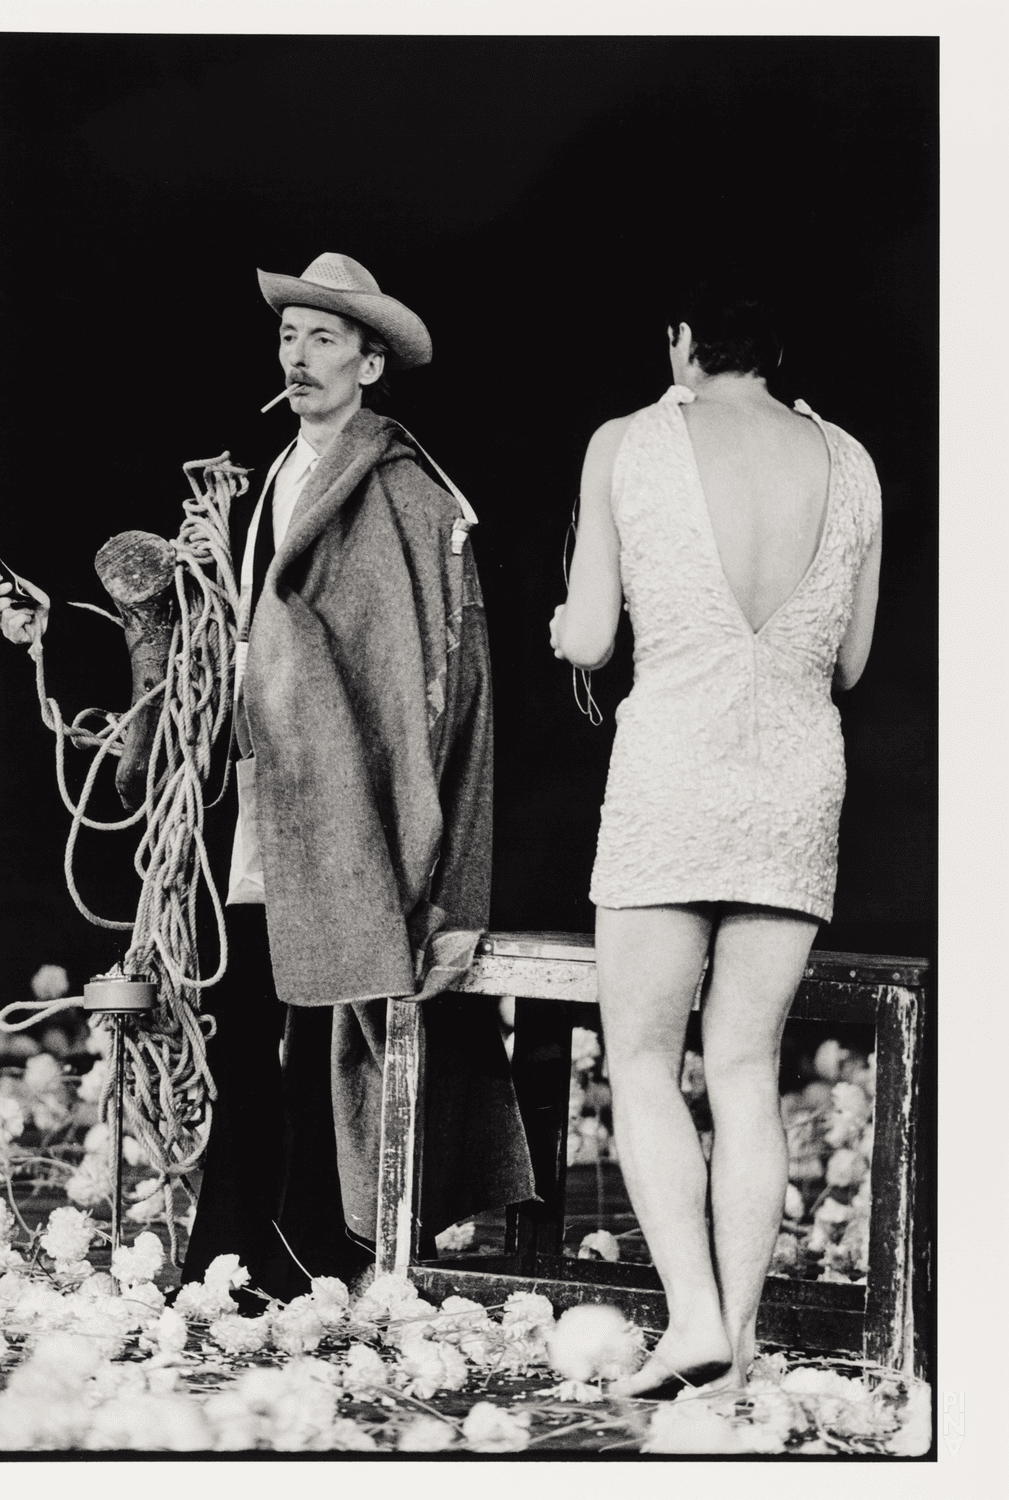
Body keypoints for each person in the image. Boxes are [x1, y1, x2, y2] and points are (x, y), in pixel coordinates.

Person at [0, 251, 532, 1301]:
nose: (298, 356)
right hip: (267, 791)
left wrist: (458, 888)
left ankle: (309, 1246)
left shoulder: (412, 498)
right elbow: (239, 640)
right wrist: (130, 613)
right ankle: (237, 1242)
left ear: (373, 363)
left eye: (324, 337)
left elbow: (455, 689)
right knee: (243, 1013)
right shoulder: (274, 477)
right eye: (289, 336)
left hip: (352, 805)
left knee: (323, 1025)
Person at [549, 283, 882, 1395]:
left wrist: (566, 627)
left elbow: (593, 635)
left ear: (683, 342)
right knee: (746, 1067)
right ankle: (732, 1348)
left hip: (672, 776)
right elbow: (851, 665)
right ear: (778, 348)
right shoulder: (853, 461)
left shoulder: (627, 442)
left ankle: (690, 1313)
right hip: (794, 783)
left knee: (643, 1058)